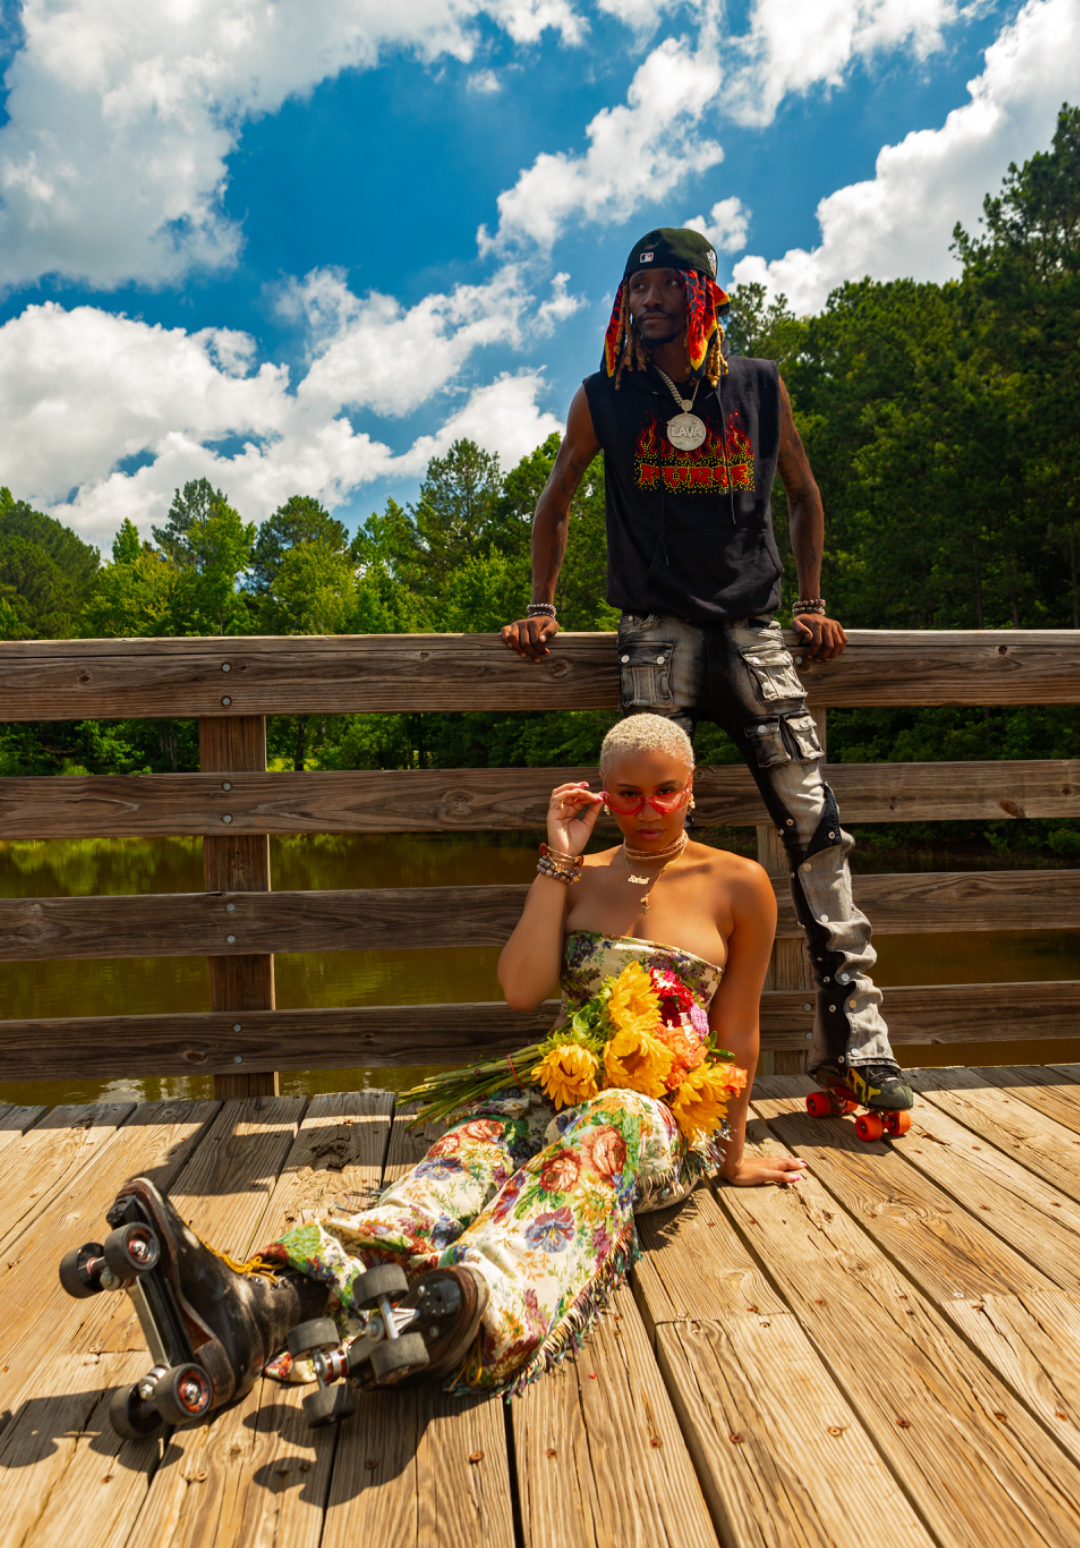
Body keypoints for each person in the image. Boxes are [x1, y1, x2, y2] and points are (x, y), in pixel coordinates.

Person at [87, 714, 802, 1422]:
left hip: (659, 1121)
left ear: (692, 786)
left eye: (665, 791)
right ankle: (270, 1304)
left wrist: (732, 1155)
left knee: (609, 1126)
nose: (647, 811)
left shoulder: (739, 883)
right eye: (628, 795)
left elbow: (738, 1035)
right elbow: (521, 990)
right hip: (557, 1087)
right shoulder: (578, 875)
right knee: (465, 1154)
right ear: (600, 794)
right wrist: (558, 859)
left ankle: (472, 1306)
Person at [500, 225, 913, 1116]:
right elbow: (558, 496)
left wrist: (813, 601)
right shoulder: (604, 395)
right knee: (645, 834)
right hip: (655, 635)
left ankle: (859, 1051)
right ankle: (631, 1052)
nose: (647, 302)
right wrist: (541, 604)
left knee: (816, 829)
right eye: (635, 290)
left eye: (667, 287)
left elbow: (803, 492)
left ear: (706, 297)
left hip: (757, 632)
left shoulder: (757, 386)